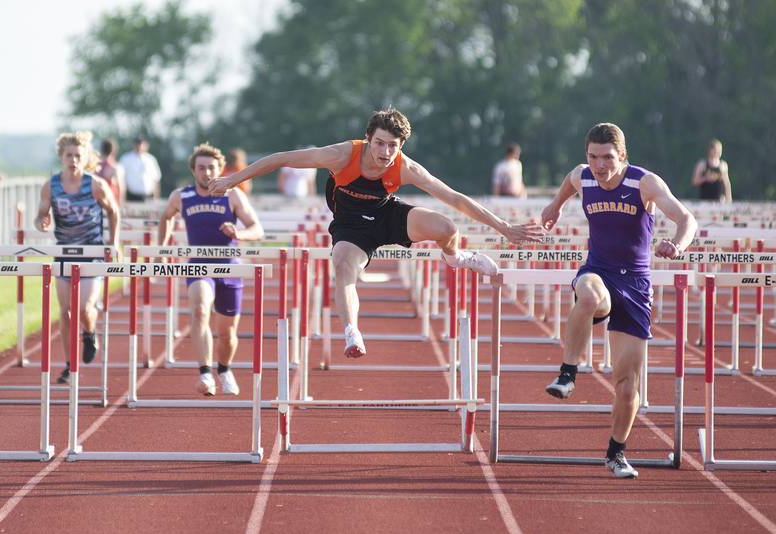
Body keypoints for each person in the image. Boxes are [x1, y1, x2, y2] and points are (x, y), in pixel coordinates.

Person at [211, 107, 545, 359]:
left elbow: (455, 198)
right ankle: (352, 331)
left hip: (386, 213)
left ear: (401, 146)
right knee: (343, 266)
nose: (385, 153)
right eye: (380, 144)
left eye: (393, 146)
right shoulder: (343, 154)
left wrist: (503, 228)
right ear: (369, 138)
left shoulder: (405, 167)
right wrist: (231, 180)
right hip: (351, 224)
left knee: (447, 227)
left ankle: (457, 258)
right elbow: (281, 159)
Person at [541, 123, 697, 478]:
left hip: (636, 285)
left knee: (627, 385)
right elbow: (570, 180)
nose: (599, 165)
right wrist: (555, 206)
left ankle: (615, 453)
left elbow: (686, 218)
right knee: (588, 295)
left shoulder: (644, 182)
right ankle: (568, 373)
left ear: (622, 155)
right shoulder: (584, 176)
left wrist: (677, 244)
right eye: (593, 157)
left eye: (607, 157)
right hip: (598, 270)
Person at [158, 143, 264, 396]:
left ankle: (224, 370)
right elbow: (166, 217)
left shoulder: (233, 195)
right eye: (201, 168)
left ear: (220, 169)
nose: (206, 173)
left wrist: (239, 232)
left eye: (211, 168)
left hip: (229, 267)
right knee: (199, 309)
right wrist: (162, 250)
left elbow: (257, 229)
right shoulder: (180, 196)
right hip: (198, 265)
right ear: (193, 171)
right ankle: (205, 373)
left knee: (227, 333)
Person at [33, 131, 121, 384]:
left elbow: (114, 212)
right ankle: (70, 365)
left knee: (84, 308)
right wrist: (43, 223)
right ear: (61, 157)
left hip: (91, 252)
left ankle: (90, 332)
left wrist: (113, 243)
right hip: (63, 253)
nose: (72, 159)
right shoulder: (51, 185)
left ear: (85, 159)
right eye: (68, 155)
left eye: (77, 156)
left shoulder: (95, 184)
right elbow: (40, 216)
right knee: (65, 311)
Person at [119, 136, 162, 202]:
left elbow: (156, 180)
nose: (139, 147)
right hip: (131, 196)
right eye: (137, 144)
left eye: (141, 144)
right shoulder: (125, 159)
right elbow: (121, 180)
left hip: (148, 196)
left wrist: (156, 199)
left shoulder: (151, 159)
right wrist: (122, 199)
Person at [691, 138, 732, 203]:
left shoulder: (723, 165)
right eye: (715, 150)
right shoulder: (702, 164)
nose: (718, 152)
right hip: (704, 200)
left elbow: (727, 184)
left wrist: (729, 198)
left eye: (719, 150)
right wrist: (706, 178)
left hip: (719, 200)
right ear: (710, 150)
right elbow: (694, 181)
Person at [96, 138, 126, 206]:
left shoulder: (95, 165)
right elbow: (120, 187)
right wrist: (120, 203)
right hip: (111, 202)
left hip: (97, 201)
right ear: (113, 150)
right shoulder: (115, 167)